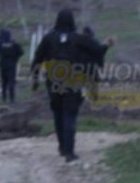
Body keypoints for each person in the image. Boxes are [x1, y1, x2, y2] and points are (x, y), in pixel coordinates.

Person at [32, 9, 111, 162]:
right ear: (72, 22)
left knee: (57, 113)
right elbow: (97, 51)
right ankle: (69, 152)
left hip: (53, 81)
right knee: (69, 114)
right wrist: (106, 44)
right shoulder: (79, 38)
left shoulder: (48, 38)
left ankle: (62, 147)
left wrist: (35, 81)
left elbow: (37, 59)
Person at [0, 28, 23, 103]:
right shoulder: (14, 43)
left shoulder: (0, 43)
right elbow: (21, 52)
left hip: (3, 64)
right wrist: (15, 58)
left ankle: (4, 97)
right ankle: (12, 99)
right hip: (12, 64)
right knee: (11, 82)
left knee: (4, 82)